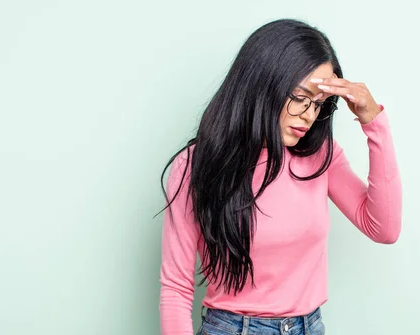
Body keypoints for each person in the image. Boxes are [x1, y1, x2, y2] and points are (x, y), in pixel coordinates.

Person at [158, 18, 402, 335]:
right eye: (300, 97)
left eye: (319, 104)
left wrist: (374, 123)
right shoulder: (194, 165)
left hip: (309, 326)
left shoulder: (320, 155)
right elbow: (175, 288)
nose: (309, 115)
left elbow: (384, 228)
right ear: (262, 84)